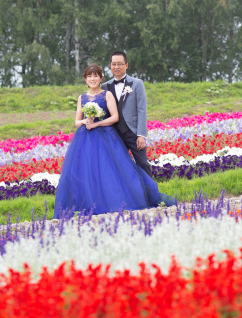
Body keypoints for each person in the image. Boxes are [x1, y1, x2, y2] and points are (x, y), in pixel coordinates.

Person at [53, 64, 175, 219]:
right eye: (89, 76)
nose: (93, 79)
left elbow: (115, 117)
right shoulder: (81, 98)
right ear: (85, 79)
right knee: (86, 171)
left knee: (107, 170)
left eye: (96, 76)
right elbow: (77, 121)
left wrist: (96, 124)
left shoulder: (107, 94)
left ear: (101, 78)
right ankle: (88, 205)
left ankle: (115, 202)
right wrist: (85, 121)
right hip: (85, 138)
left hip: (104, 137)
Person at [102, 50, 152, 176]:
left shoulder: (137, 84)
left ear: (126, 65)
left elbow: (142, 110)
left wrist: (141, 135)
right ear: (110, 66)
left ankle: (149, 188)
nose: (116, 67)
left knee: (143, 164)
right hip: (114, 134)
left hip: (133, 132)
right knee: (118, 167)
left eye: (120, 64)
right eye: (114, 64)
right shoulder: (105, 86)